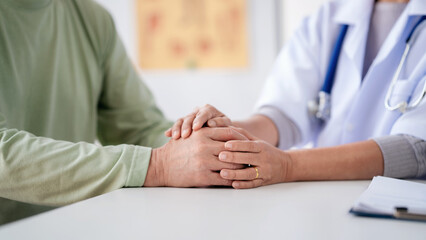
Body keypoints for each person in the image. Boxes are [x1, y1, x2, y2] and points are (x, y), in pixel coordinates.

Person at [0, 0, 246, 225]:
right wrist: (157, 166)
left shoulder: (93, 20)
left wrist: (198, 143)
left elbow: (138, 127)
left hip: (69, 225)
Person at [168, 0, 426, 189]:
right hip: (323, 206)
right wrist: (225, 134)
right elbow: (282, 117)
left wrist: (289, 165)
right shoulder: (328, 18)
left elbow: (416, 149)